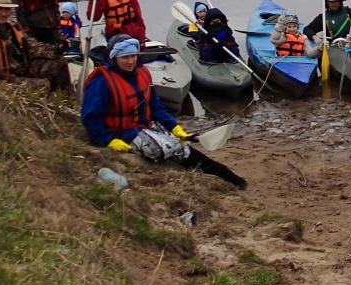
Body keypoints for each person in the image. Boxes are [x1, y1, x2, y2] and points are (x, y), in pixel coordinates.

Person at [80, 35, 246, 189]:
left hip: (143, 125)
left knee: (182, 147)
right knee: (161, 149)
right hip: (121, 132)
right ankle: (211, 169)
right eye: (124, 57)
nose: (130, 61)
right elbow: (90, 117)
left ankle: (224, 174)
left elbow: (154, 105)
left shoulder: (142, 72)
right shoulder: (101, 83)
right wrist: (108, 140)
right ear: (114, 58)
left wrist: (173, 126)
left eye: (133, 56)